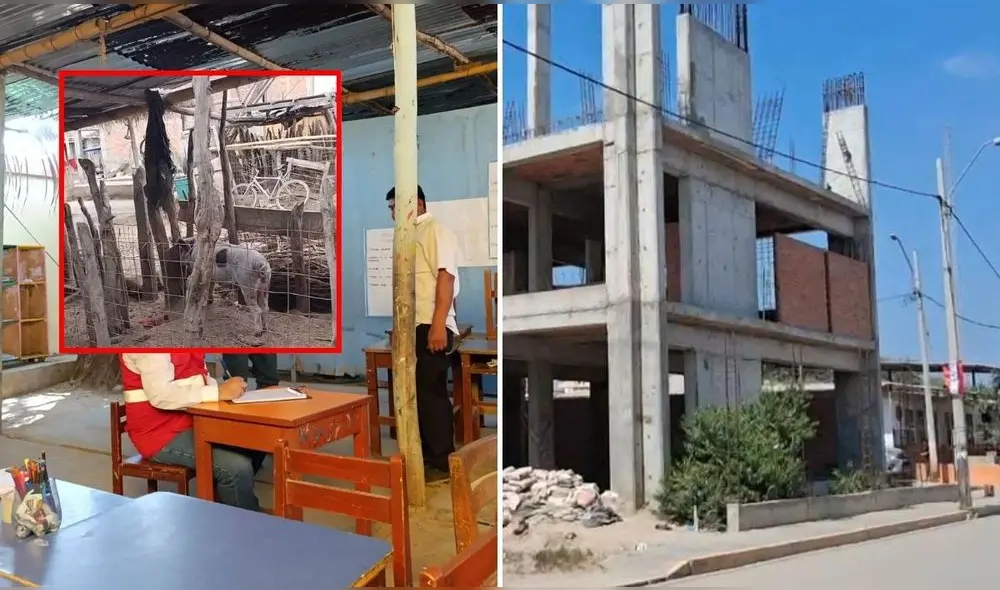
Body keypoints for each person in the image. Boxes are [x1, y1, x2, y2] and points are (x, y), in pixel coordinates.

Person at [119, 353, 266, 511]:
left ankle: (223, 511)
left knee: (259, 442)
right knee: (236, 468)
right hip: (159, 433)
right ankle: (249, 529)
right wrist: (218, 393)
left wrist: (227, 390)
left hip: (194, 421)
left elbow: (200, 377)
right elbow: (160, 395)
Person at [386, 185, 461, 482]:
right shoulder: (408, 236)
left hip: (432, 326)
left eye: (396, 206)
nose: (393, 213)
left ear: (417, 203)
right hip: (413, 327)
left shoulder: (435, 231)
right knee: (415, 394)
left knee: (431, 394)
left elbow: (446, 278)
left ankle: (443, 461)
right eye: (390, 208)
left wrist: (438, 325)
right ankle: (426, 456)